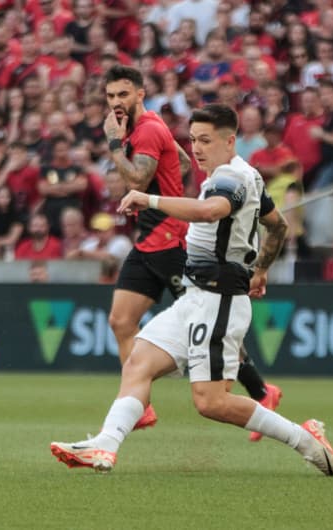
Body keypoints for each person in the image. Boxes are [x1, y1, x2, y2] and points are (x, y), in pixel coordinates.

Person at [50, 104, 333, 476]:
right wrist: (261, 270)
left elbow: (210, 211)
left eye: (205, 140)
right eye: (193, 140)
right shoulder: (245, 176)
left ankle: (307, 440)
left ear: (230, 140)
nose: (197, 148)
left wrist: (148, 198)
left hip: (218, 300)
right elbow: (277, 226)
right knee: (138, 361)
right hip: (196, 297)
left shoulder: (231, 179)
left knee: (211, 403)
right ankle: (105, 447)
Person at [102, 64, 279, 439]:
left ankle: (262, 390)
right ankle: (140, 406)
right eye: (110, 95)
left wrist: (114, 145)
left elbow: (135, 178)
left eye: (122, 94)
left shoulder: (145, 129)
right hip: (149, 238)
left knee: (209, 315)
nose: (116, 102)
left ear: (139, 94)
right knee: (120, 321)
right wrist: (167, 179)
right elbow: (180, 161)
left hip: (172, 238)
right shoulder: (144, 128)